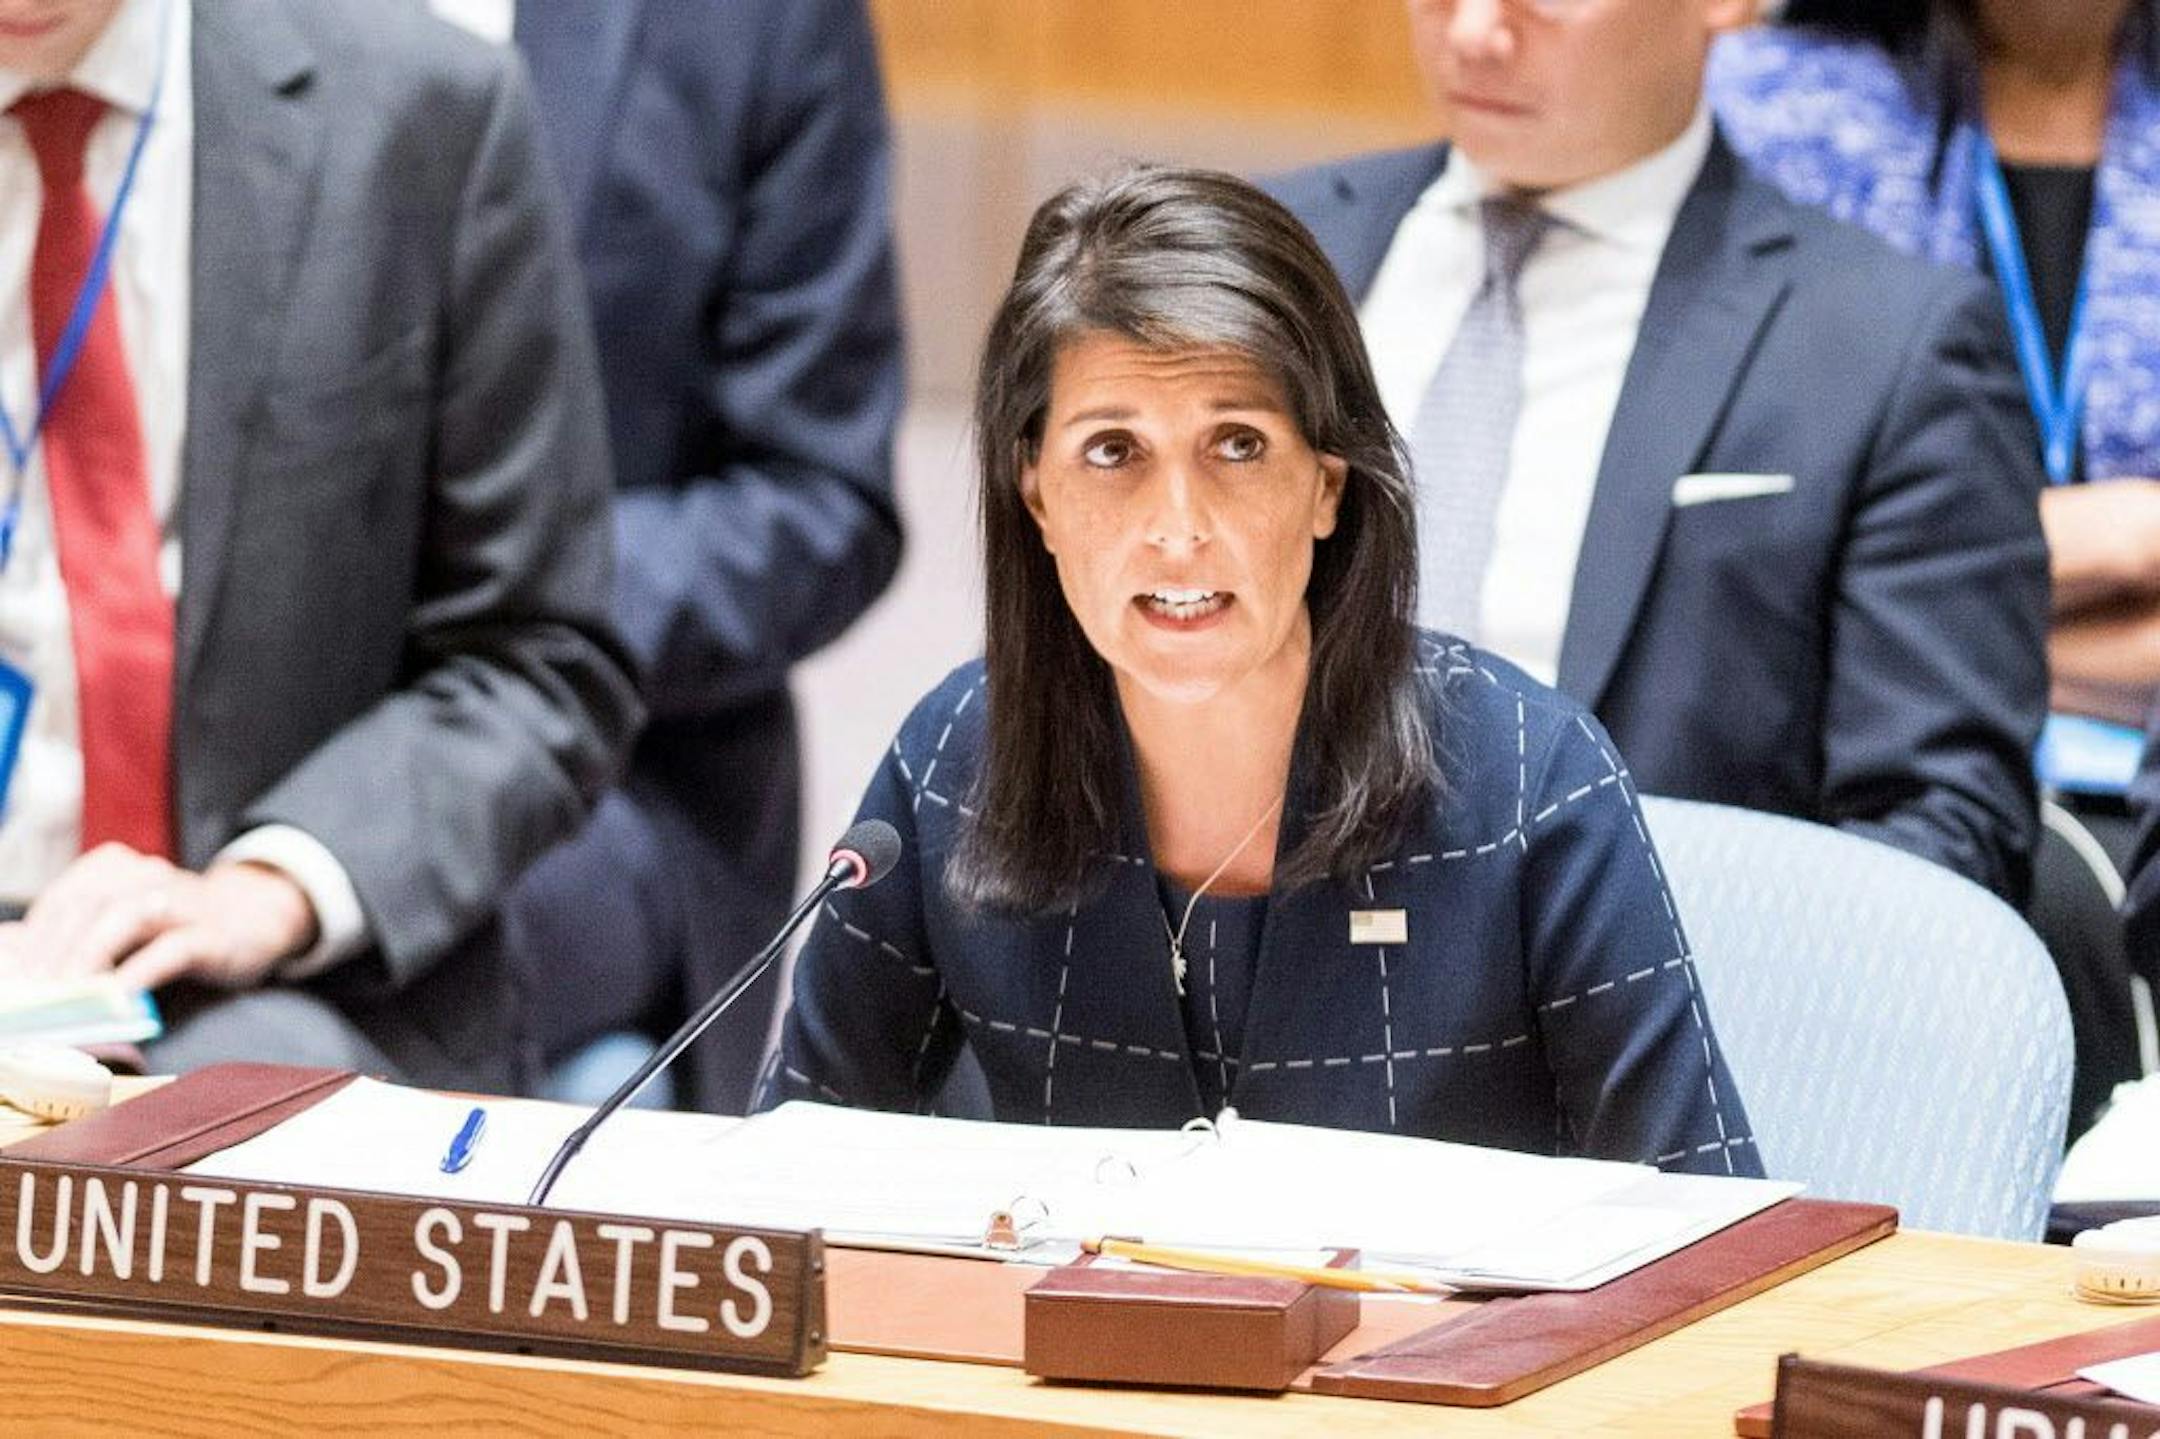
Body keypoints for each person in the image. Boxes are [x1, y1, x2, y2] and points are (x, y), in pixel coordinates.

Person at [762, 165, 1758, 1175]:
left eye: (1237, 444)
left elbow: (1707, 1231)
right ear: (1036, 494)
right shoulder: (954, 765)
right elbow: (783, 1196)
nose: (1178, 528)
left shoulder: (1529, 784)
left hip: (1457, 1338)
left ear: (1328, 485)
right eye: (1113, 451)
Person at [1262, 0, 2049, 914]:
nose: (1475, 31)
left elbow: (1941, 839)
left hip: (1653, 1011)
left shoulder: (1883, 348)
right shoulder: (1269, 250)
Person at [0, 0, 640, 1091]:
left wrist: (272, 886)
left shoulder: (418, 114)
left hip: (270, 975)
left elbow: (540, 658)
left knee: (215, 1143)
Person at [1711, 0, 2160, 1131]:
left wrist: (1931, 608)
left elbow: (1846, 572)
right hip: (1851, 768)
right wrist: (2129, 534)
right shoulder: (1765, 105)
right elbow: (1751, 558)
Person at [500, 0, 904, 1111]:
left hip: (595, 775)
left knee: (340, 955)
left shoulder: (758, 27)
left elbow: (822, 504)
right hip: (175, 736)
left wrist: (483, 593)